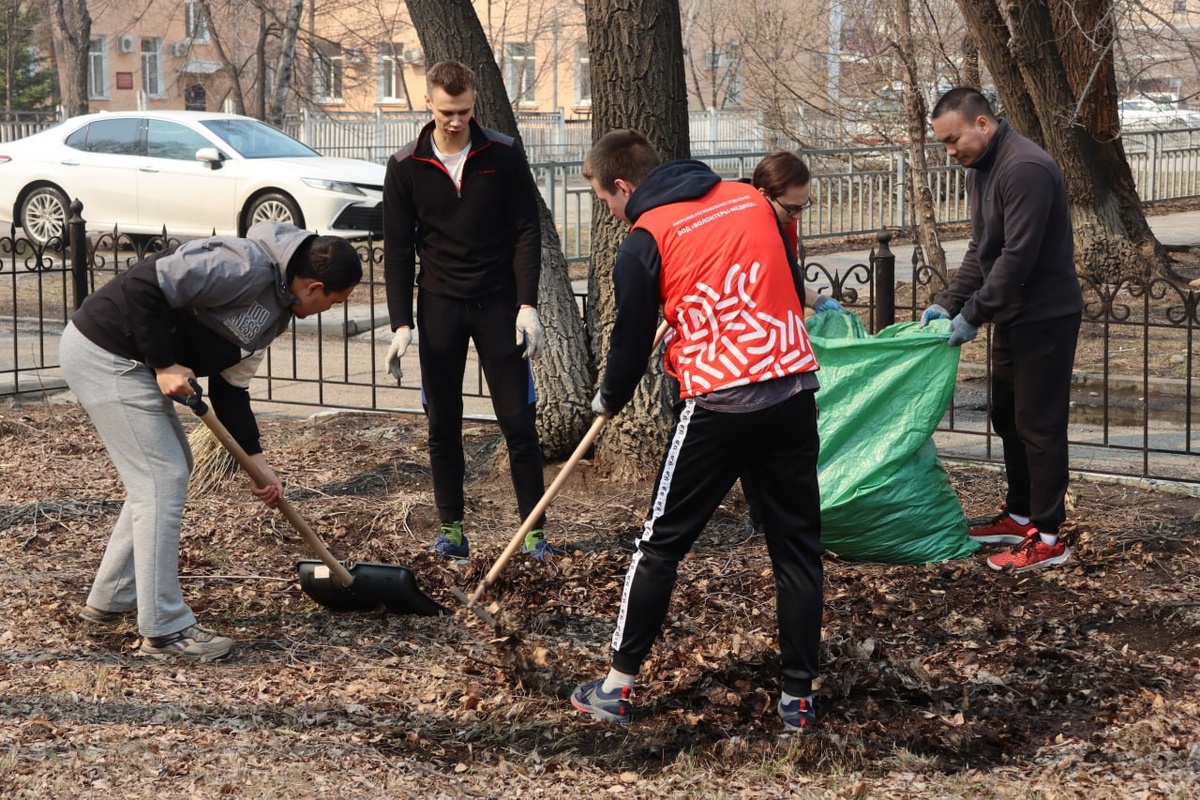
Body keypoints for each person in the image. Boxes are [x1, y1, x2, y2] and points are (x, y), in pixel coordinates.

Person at [570, 130, 824, 732]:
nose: (610, 210)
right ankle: (798, 699)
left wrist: (611, 396)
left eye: (605, 199)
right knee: (796, 547)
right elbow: (787, 284)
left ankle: (615, 688)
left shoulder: (644, 240)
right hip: (791, 387)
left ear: (624, 186)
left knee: (660, 544)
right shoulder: (749, 198)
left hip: (719, 401)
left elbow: (630, 340)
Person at [60, 222, 362, 661]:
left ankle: (112, 598)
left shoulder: (276, 312)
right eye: (332, 302)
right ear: (315, 287)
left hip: (133, 362)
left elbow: (231, 390)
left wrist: (258, 463)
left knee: (167, 472)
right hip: (105, 351)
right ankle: (165, 630)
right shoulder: (241, 265)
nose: (326, 310)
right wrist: (164, 363)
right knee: (161, 478)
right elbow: (145, 284)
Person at [382, 60, 556, 561]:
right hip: (440, 304)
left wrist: (527, 304)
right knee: (443, 423)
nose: (456, 121)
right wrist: (401, 323)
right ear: (428, 104)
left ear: (474, 102)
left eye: (463, 111)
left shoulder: (502, 154)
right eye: (446, 112)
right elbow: (397, 248)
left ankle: (534, 534)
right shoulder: (405, 165)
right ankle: (452, 531)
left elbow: (527, 230)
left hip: (498, 303)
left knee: (518, 422)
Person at [921, 86, 1084, 573]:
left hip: (1045, 316)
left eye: (953, 140)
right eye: (944, 144)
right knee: (1008, 416)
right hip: (1013, 314)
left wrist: (973, 314)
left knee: (1039, 425)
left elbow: (1018, 257)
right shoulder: (983, 168)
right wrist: (949, 302)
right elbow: (983, 248)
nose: (950, 153)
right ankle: (1020, 515)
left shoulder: (1025, 168)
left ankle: (1048, 538)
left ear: (982, 123)